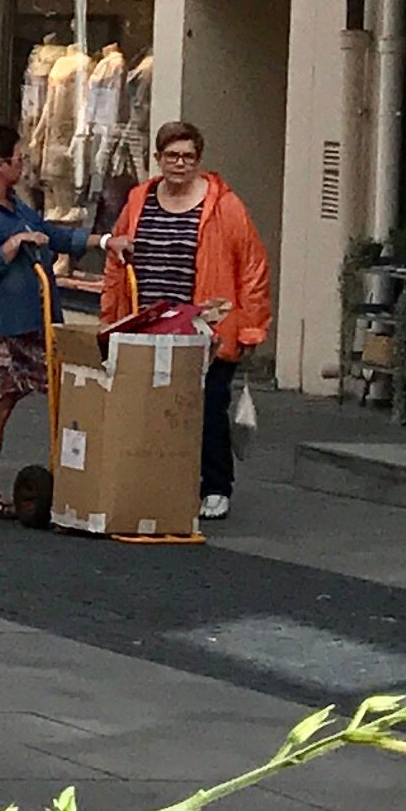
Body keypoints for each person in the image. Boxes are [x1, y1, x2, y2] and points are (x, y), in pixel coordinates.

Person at [102, 118, 272, 522]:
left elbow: (252, 267)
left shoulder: (224, 205)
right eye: (172, 156)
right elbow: (117, 259)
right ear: (158, 158)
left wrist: (250, 326)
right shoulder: (139, 199)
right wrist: (110, 321)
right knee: (152, 407)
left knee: (209, 406)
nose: (180, 163)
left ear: (199, 160)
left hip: (206, 327)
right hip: (150, 324)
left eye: (188, 157)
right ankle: (162, 483)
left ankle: (215, 487)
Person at [0, 120, 91, 519]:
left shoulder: (16, 206)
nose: (25, 164)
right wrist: (12, 247)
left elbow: (48, 232)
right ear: (0, 165)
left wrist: (100, 241)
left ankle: (73, 478)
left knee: (49, 392)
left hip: (32, 319)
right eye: (19, 158)